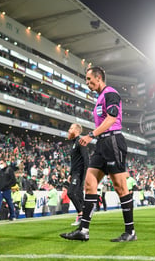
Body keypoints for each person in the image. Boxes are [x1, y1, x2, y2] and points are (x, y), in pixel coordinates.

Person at [60, 66, 136, 242]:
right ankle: (83, 230)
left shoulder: (111, 93)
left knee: (120, 186)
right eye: (86, 80)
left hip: (113, 141)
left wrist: (91, 134)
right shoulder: (100, 97)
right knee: (89, 183)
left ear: (99, 77)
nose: (87, 83)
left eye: (89, 79)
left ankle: (130, 232)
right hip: (102, 144)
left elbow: (112, 118)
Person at [66, 123, 89, 226]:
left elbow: (86, 160)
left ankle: (81, 215)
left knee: (71, 193)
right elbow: (74, 161)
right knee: (79, 195)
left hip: (79, 173)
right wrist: (70, 174)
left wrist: (83, 176)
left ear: (76, 130)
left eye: (71, 128)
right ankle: (85, 217)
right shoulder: (74, 143)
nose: (69, 130)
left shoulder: (80, 142)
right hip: (75, 173)